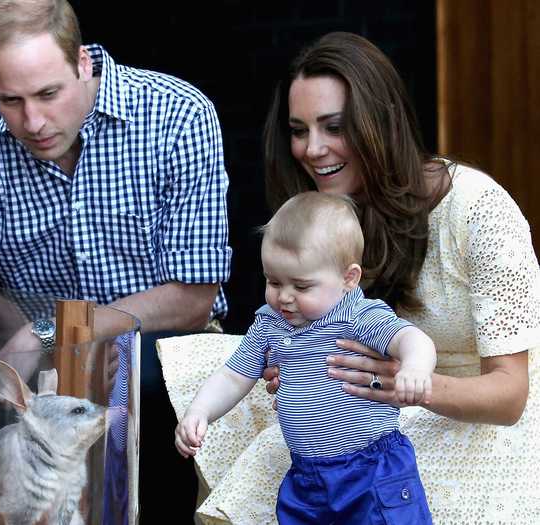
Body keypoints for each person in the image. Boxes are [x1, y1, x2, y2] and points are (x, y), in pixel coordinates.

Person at [0, 0, 231, 522]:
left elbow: (194, 296)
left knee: (141, 385)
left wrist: (47, 331)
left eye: (48, 94)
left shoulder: (176, 113)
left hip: (170, 359)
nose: (32, 122)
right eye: (9, 100)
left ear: (83, 63)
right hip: (47, 390)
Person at [159, 31, 539, 524]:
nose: (313, 149)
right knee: (223, 381)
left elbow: (509, 396)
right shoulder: (325, 215)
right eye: (299, 130)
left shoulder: (479, 209)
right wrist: (298, 363)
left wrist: (399, 382)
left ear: (378, 123)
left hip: (475, 417)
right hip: (361, 417)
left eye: (333, 127)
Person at [175, 191, 435, 523]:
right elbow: (233, 376)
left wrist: (415, 367)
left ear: (348, 279)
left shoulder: (357, 316)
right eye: (273, 281)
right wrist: (200, 411)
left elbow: (412, 338)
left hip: (371, 470)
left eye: (301, 286)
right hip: (307, 477)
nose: (284, 297)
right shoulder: (270, 322)